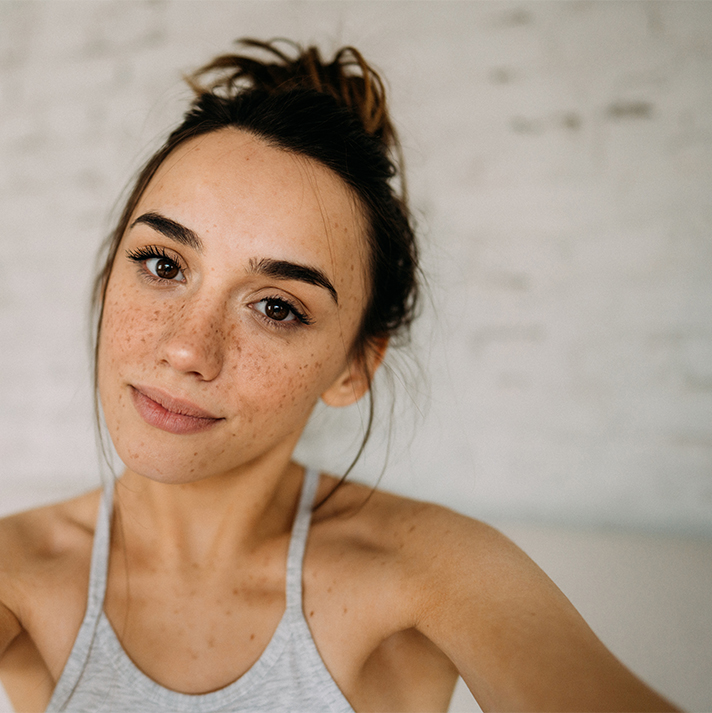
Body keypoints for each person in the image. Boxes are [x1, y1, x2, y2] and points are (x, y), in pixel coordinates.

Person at [0, 39, 678, 713]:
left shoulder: (434, 571)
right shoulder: (17, 570)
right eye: (163, 264)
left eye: (276, 307)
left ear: (354, 367)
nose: (186, 350)